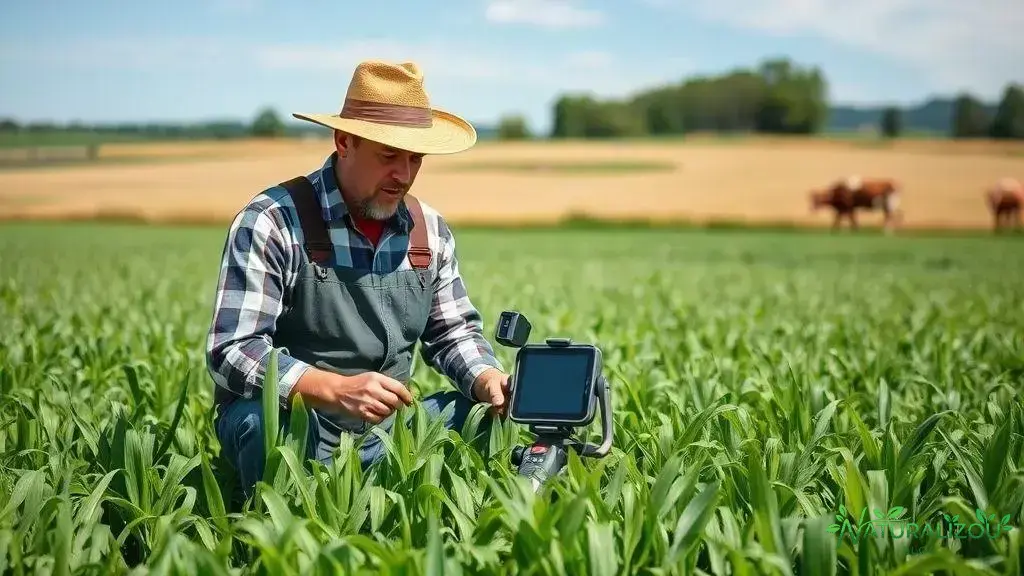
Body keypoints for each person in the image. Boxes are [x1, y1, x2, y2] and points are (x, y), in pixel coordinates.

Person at [205, 60, 511, 495]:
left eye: (414, 159)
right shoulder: (273, 221)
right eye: (389, 156)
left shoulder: (430, 230)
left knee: (476, 415)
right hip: (296, 425)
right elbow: (233, 350)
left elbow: (451, 333)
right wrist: (330, 389)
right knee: (261, 422)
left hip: (390, 434)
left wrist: (487, 380)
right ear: (344, 141)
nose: (403, 175)